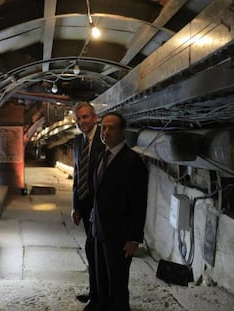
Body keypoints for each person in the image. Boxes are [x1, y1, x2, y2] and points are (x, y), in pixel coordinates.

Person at [91, 112, 148, 311]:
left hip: (119, 236)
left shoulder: (132, 162)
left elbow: (139, 203)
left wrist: (134, 239)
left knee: (117, 285)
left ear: (122, 131)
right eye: (103, 128)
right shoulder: (102, 155)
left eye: (111, 128)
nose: (105, 132)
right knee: (102, 282)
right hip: (99, 230)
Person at [71, 102, 105, 309]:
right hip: (84, 205)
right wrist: (75, 206)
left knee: (98, 251)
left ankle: (100, 297)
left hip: (100, 207)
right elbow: (77, 174)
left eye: (85, 117)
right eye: (78, 119)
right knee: (91, 250)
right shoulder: (77, 141)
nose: (82, 122)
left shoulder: (105, 137)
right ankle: (94, 292)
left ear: (94, 117)